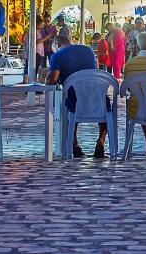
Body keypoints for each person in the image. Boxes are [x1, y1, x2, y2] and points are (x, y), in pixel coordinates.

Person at [45, 27, 105, 158]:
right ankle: (101, 140)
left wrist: (47, 76)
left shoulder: (57, 56)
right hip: (97, 98)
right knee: (105, 103)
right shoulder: (88, 50)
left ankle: (74, 144)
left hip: (75, 101)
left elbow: (52, 80)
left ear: (57, 45)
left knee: (70, 100)